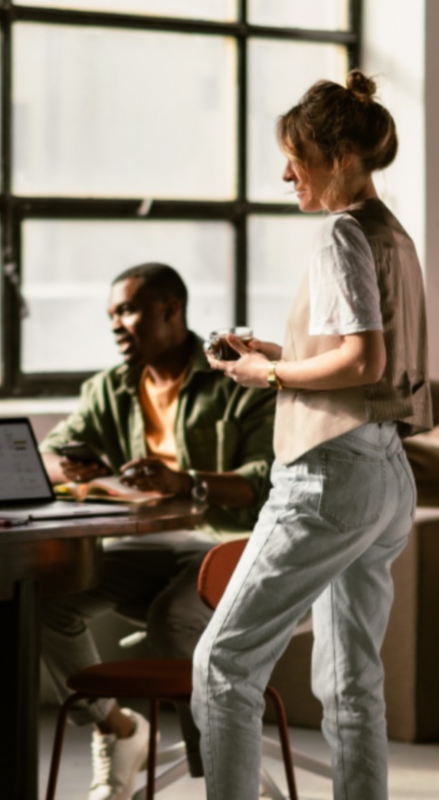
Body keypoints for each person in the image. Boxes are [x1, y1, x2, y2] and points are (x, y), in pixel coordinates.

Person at [192, 71, 432, 800]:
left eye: (296, 158)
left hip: (328, 477)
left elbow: (362, 361)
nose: (286, 173)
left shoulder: (339, 232)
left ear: (340, 157)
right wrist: (279, 353)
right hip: (387, 476)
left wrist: (266, 374)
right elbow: (370, 362)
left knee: (223, 665)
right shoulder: (394, 234)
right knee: (351, 682)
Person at [38, 262, 277, 800]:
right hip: (154, 544)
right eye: (111, 314)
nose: (116, 325)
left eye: (127, 310)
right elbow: (46, 456)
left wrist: (187, 481)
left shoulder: (236, 378)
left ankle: (226, 778)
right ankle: (116, 729)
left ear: (171, 309)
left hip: (235, 545)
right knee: (47, 596)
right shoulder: (110, 388)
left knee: (174, 615)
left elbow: (269, 478)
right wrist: (75, 468)